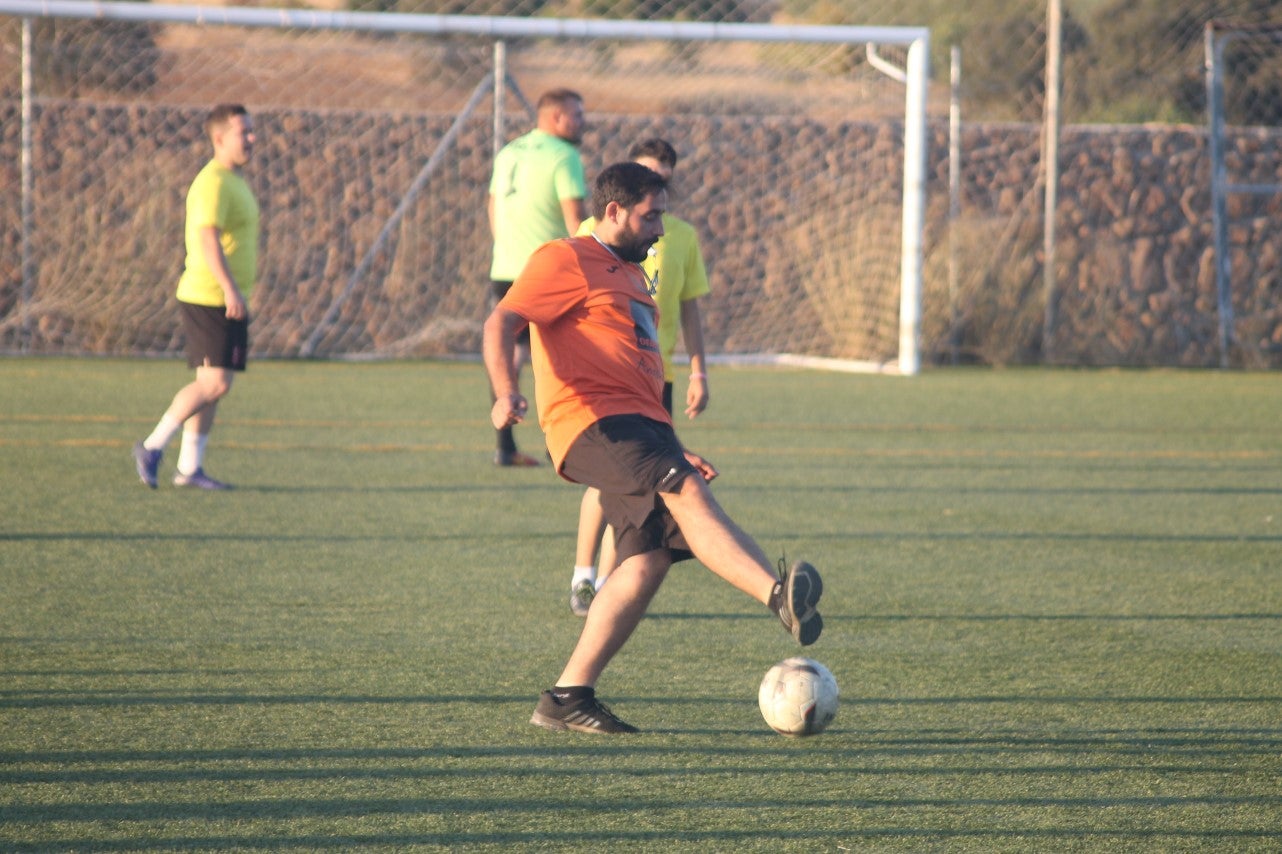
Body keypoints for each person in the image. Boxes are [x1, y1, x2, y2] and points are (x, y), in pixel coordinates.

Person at [483, 162, 823, 734]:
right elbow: (502, 321)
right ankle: (776, 595)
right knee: (683, 492)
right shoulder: (563, 258)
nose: (659, 229)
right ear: (613, 211)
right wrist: (505, 392)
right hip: (592, 422)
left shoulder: (632, 277)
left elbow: (636, 371)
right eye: (650, 215)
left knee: (646, 561)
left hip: (642, 427)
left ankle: (567, 697)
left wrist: (672, 442)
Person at [568, 138, 711, 616]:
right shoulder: (594, 233)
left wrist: (698, 369)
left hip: (655, 377)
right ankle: (582, 574)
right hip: (607, 379)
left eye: (664, 178)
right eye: (647, 174)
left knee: (632, 488)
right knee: (609, 480)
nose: (657, 184)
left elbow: (689, 307)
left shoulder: (681, 236)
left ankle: (609, 583)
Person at [132, 104, 259, 491]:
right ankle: (152, 446)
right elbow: (207, 239)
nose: (252, 139)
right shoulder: (214, 182)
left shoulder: (235, 180)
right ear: (219, 138)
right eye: (244, 132)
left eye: (252, 131)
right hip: (209, 296)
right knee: (215, 384)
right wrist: (230, 289)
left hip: (222, 296)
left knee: (214, 385)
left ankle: (190, 469)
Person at [486, 88, 589, 467]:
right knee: (564, 356)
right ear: (557, 118)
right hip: (549, 272)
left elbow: (493, 205)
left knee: (511, 357)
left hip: (505, 266)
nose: (582, 122)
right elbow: (575, 221)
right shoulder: (565, 156)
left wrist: (506, 247)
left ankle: (505, 446)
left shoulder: (509, 151)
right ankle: (562, 443)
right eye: (577, 115)